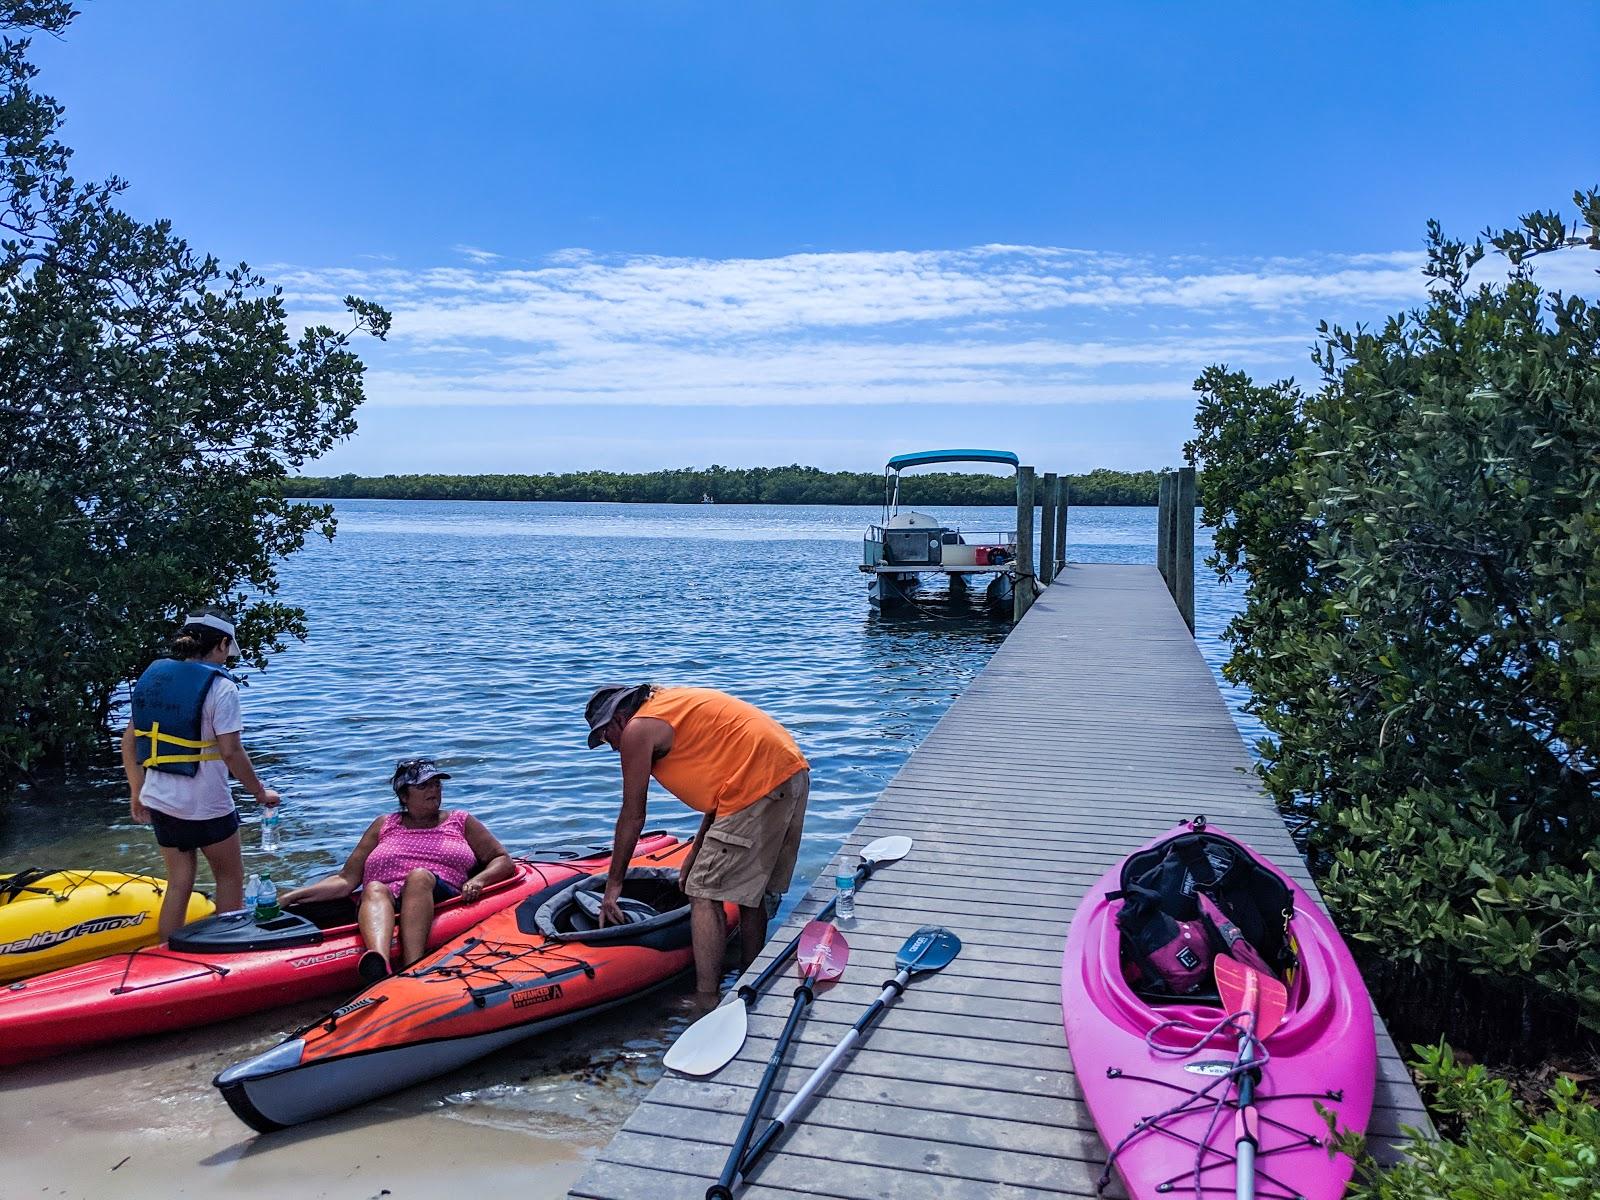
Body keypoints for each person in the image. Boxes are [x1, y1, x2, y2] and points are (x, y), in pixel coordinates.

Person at [586, 684, 809, 997]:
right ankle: (749, 979)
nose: (611, 747)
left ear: (620, 719)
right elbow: (722, 788)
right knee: (750, 891)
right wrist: (695, 852)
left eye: (606, 736)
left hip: (759, 784)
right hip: (788, 772)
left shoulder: (637, 730)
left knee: (702, 891)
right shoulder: (668, 705)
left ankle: (706, 998)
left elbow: (633, 814)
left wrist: (614, 886)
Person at [120, 608, 279, 942]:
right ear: (222, 644)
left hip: (160, 798)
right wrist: (260, 793)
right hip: (206, 803)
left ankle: (168, 956)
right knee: (230, 878)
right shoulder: (221, 689)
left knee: (179, 882)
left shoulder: (155, 678)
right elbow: (232, 752)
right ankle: (229, 951)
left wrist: (137, 790)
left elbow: (129, 742)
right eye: (228, 649)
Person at [279, 758, 514, 983]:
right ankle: (379, 962)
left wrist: (480, 880)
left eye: (436, 784)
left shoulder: (459, 821)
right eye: (423, 786)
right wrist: (294, 895)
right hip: (387, 898)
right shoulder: (384, 824)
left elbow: (502, 859)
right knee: (373, 888)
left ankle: (413, 965)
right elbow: (346, 880)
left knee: (418, 876)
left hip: (438, 892)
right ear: (404, 795)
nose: (433, 790)